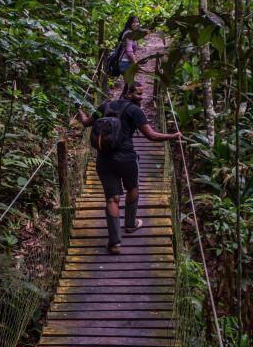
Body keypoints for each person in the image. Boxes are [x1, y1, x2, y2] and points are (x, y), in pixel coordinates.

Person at [75, 80, 181, 254]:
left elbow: (86, 123)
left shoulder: (104, 105)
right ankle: (130, 224)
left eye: (142, 93)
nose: (142, 96)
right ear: (128, 93)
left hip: (104, 159)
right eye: (138, 93)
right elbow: (151, 136)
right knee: (133, 188)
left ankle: (115, 243)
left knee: (111, 199)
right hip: (127, 159)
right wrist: (173, 136)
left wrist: (79, 112)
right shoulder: (135, 111)